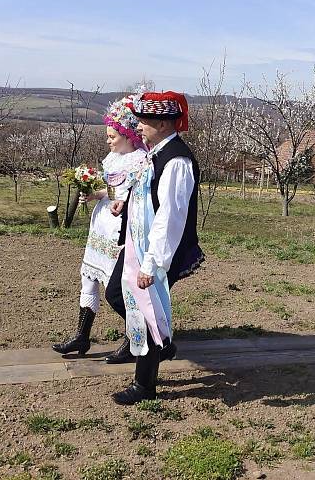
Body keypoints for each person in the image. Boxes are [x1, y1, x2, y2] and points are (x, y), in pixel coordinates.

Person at [110, 91, 204, 405]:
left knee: (147, 310)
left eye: (144, 120)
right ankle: (162, 342)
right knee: (118, 296)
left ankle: (144, 385)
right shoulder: (156, 152)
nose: (137, 126)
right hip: (141, 244)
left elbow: (170, 215)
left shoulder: (176, 160)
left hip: (158, 251)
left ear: (163, 124)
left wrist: (152, 264)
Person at [52, 96, 148, 355]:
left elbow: (131, 194)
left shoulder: (139, 160)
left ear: (128, 135)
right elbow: (110, 189)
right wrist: (94, 194)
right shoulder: (114, 157)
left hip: (120, 227)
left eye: (112, 136)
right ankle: (82, 336)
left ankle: (134, 338)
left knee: (117, 287)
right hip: (101, 224)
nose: (108, 141)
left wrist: (112, 197)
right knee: (88, 277)